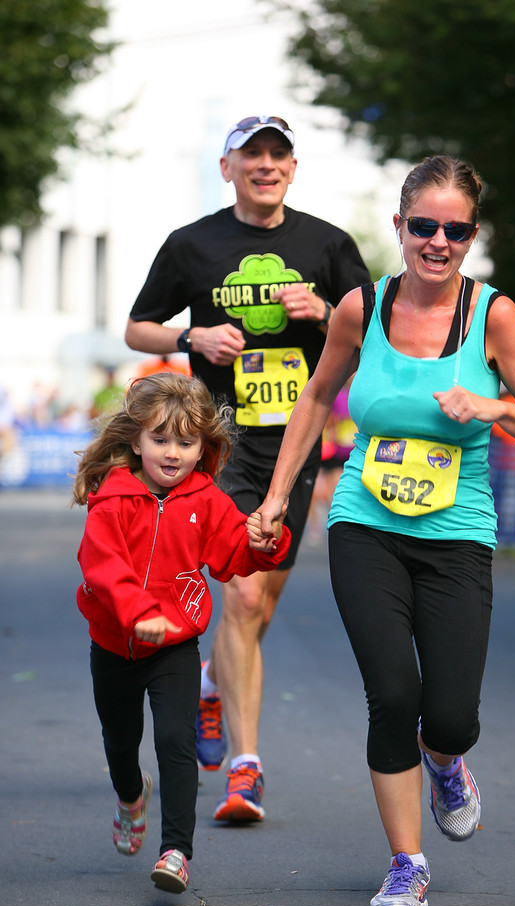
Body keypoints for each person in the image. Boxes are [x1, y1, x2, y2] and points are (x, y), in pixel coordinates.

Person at [254, 155, 515, 906]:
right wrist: (278, 495)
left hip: (458, 533)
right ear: (399, 226)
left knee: (451, 713)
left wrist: (492, 410)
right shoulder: (361, 307)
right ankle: (406, 864)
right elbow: (317, 396)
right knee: (392, 694)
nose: (437, 241)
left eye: (454, 230)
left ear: (471, 236)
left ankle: (446, 758)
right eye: (422, 225)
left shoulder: (494, 316)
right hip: (367, 524)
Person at [124, 115, 370, 822]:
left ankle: (212, 684)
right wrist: (188, 335)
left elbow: (372, 326)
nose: (266, 165)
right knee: (239, 598)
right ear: (228, 167)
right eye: (251, 154)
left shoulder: (326, 244)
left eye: (278, 154)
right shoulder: (193, 244)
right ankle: (246, 769)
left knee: (258, 606)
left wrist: (324, 310)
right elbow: (137, 326)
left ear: (293, 168)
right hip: (222, 445)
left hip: (295, 447)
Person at [72, 373, 290, 893]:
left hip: (173, 644)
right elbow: (101, 567)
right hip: (115, 643)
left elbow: (233, 554)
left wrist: (265, 541)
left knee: (176, 740)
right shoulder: (113, 497)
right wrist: (135, 612)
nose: (173, 453)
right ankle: (131, 797)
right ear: (136, 440)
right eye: (161, 440)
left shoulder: (206, 499)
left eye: (187, 443)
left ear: (202, 448)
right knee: (121, 744)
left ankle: (175, 852)